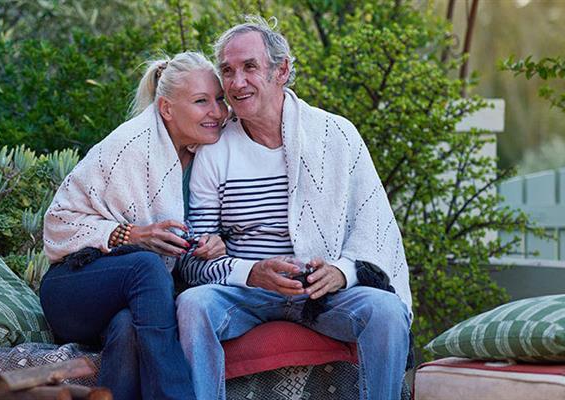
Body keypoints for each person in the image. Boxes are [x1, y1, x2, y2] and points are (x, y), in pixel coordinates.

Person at [176, 16, 413, 400]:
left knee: (385, 312)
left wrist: (342, 271)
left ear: (281, 70)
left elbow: (374, 229)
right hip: (246, 292)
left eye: (249, 67)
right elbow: (194, 261)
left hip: (324, 293)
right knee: (192, 305)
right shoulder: (215, 150)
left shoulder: (337, 135)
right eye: (227, 71)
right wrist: (253, 273)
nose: (236, 83)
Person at [40, 51, 228, 400]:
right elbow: (56, 224)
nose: (216, 112)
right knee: (145, 264)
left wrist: (213, 244)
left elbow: (205, 232)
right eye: (202, 101)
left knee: (127, 328)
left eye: (219, 99)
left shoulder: (209, 154)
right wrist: (130, 234)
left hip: (134, 300)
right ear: (167, 109)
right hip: (74, 288)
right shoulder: (131, 146)